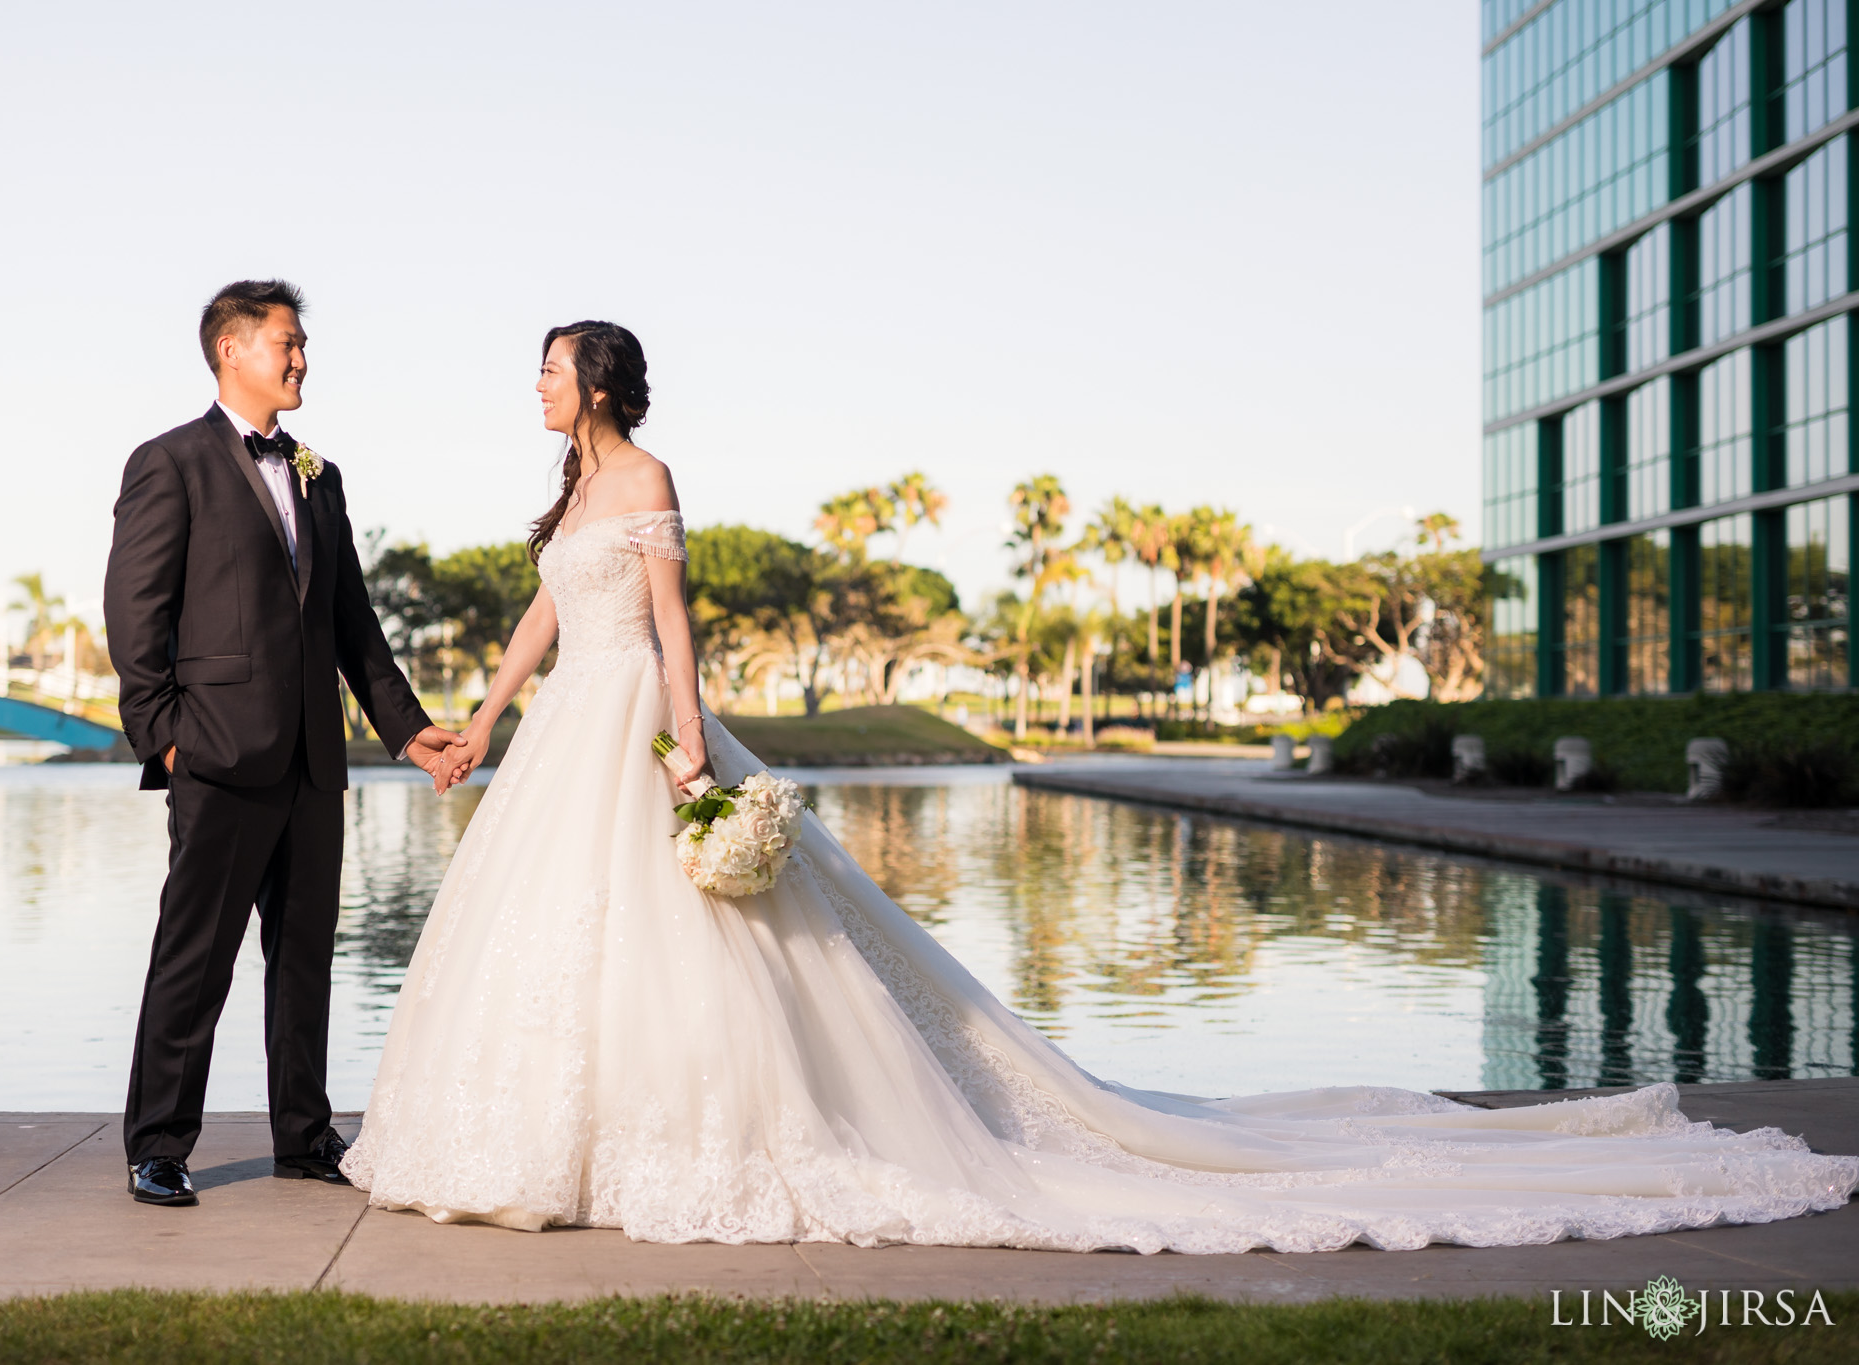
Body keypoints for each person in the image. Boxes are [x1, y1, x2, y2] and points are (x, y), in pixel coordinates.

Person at [342, 320, 1857, 1250]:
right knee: (553, 954)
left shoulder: (651, 485)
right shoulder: (560, 498)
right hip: (560, 742)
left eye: (547, 368)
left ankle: (678, 1144)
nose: (534, 386)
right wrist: (479, 721)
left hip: (639, 731)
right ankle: (547, 1141)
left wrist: (690, 751)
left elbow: (675, 632)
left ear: (598, 382)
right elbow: (545, 619)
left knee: (698, 957)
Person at [103, 280, 463, 1207]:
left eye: (302, 345)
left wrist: (410, 730)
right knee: (197, 954)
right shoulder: (169, 462)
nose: (302, 359)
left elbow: (353, 622)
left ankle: (304, 1134)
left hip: (313, 758)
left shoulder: (319, 472)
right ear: (232, 350)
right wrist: (165, 737)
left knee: (304, 957)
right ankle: (158, 1144)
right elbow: (133, 613)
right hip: (215, 755)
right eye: (287, 344)